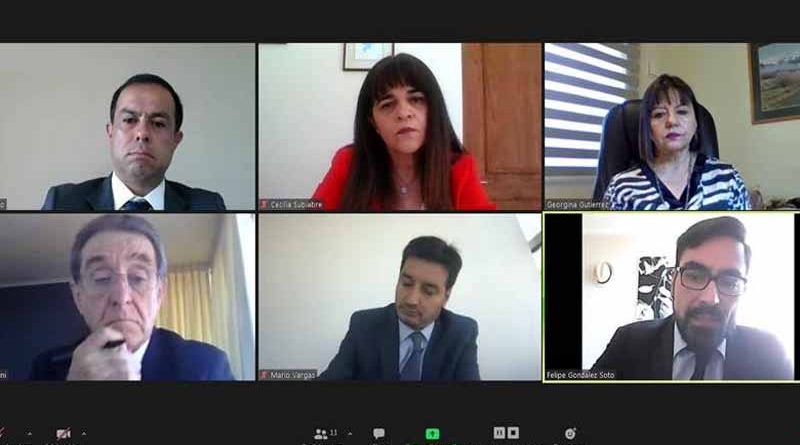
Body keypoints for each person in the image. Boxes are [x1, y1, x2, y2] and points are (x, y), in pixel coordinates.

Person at [30, 215, 234, 380]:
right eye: (102, 278)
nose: (122, 297)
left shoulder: (206, 367)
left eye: (138, 278)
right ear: (78, 297)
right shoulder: (48, 369)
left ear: (159, 294)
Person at [592, 216, 791, 380]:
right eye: (695, 277)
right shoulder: (629, 342)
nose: (711, 299)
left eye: (730, 282)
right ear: (673, 282)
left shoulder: (769, 352)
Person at [312, 53, 495, 210]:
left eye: (416, 100)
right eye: (387, 104)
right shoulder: (349, 162)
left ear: (433, 110)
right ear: (373, 122)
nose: (403, 113)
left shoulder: (460, 168)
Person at [41, 73, 226, 211]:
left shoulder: (209, 206)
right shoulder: (61, 202)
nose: (142, 133)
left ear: (175, 140)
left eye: (158, 123)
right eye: (129, 120)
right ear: (110, 132)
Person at [318, 236, 480, 380]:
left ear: (446, 296)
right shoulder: (364, 324)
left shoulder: (462, 332)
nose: (411, 300)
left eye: (428, 291)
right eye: (406, 284)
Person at [602, 74, 750, 210]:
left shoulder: (728, 179)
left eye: (682, 112)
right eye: (659, 114)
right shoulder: (621, 188)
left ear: (696, 123)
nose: (672, 121)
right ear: (647, 129)